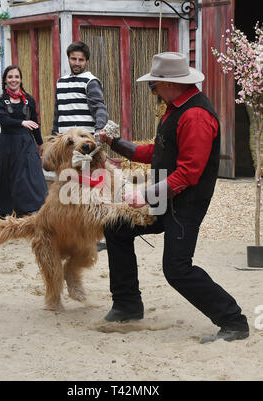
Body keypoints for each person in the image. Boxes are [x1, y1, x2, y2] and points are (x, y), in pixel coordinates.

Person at [98, 52, 249, 343]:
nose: (152, 89)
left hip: (185, 203)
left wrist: (143, 194)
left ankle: (234, 321)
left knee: (177, 269)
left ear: (168, 83)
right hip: (167, 197)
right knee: (117, 227)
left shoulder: (195, 116)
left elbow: (189, 173)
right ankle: (127, 305)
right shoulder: (176, 108)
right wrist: (116, 143)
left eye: (153, 84)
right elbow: (159, 151)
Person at [52, 40, 109, 251]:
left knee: (90, 192)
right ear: (68, 58)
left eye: (81, 60)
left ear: (86, 61)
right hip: (66, 148)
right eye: (73, 59)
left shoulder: (90, 81)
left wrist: (100, 131)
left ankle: (95, 238)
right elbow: (57, 115)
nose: (77, 63)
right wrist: (52, 139)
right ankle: (73, 236)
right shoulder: (61, 82)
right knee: (68, 190)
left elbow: (100, 109)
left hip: (87, 149)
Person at [0, 65, 48, 219]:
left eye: (16, 77)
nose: (13, 80)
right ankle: (4, 212)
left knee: (30, 177)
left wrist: (40, 143)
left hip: (26, 145)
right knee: (5, 178)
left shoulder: (29, 100)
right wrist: (21, 123)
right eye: (10, 77)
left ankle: (29, 210)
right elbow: (1, 118)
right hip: (6, 145)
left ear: (21, 80)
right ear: (5, 80)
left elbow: (34, 123)